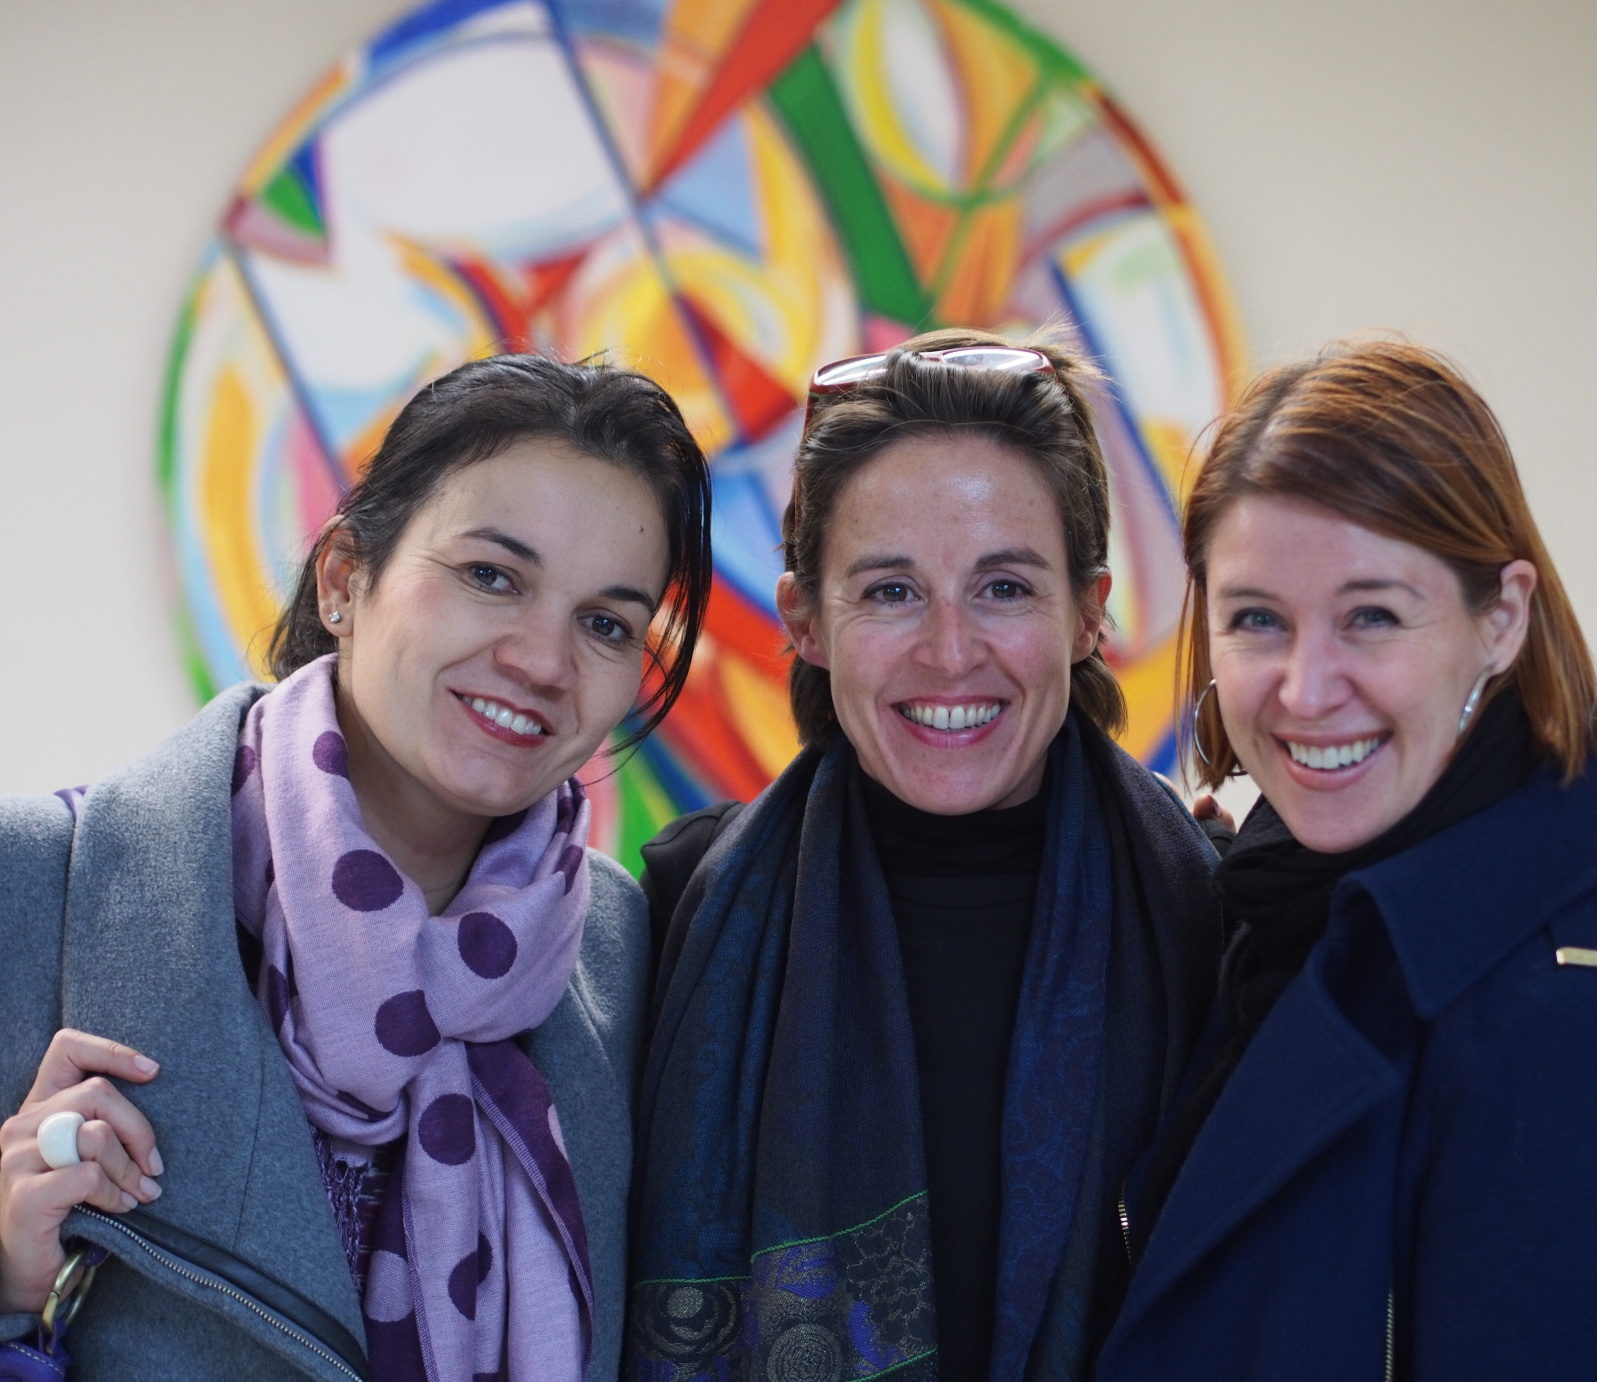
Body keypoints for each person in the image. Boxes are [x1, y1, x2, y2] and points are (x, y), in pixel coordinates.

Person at [0, 355, 712, 1382]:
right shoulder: (37, 893)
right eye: (491, 576)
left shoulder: (626, 961)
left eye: (605, 623)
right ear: (343, 578)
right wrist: (8, 1289)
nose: (541, 661)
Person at [1097, 341, 1597, 1380]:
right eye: (1257, 619)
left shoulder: (1576, 1020)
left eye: (1371, 615)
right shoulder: (1290, 910)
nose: (1304, 687)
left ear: (1500, 619)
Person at [626, 331, 1222, 1382]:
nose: (950, 652)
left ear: (1087, 615)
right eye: (891, 591)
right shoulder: (677, 915)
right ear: (806, 620)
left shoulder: (1215, 923)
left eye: (1004, 588)